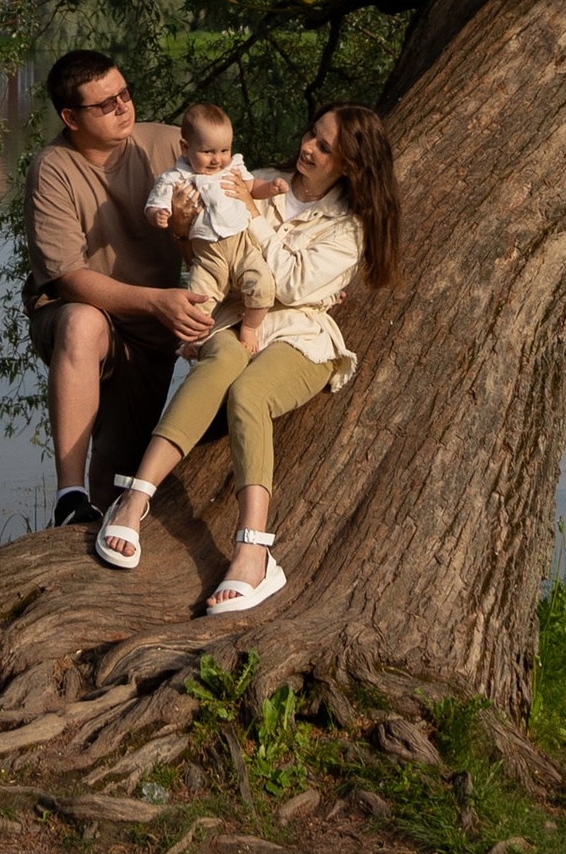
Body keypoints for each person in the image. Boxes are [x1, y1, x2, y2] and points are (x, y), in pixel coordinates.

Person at [91, 101, 399, 616]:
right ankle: (135, 498)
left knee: (249, 393)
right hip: (235, 319)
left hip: (303, 334)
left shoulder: (349, 225)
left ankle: (253, 551)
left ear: (350, 164)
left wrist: (249, 217)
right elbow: (209, 254)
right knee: (222, 366)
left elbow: (295, 285)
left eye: (325, 147)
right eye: (311, 134)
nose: (308, 147)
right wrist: (185, 226)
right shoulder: (254, 178)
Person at [23, 48, 211, 527]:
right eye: (106, 103)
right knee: (84, 322)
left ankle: (92, 532)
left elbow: (244, 188)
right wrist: (156, 302)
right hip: (76, 314)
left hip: (153, 331)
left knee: (118, 480)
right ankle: (69, 495)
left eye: (125, 94)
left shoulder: (172, 146)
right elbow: (68, 278)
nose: (124, 107)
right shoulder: (53, 169)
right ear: (71, 117)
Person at [142, 96, 285, 329]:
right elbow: (155, 203)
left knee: (263, 283)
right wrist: (157, 214)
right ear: (186, 148)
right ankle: (194, 339)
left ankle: (250, 328)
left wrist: (270, 188)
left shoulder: (233, 168)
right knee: (197, 300)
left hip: (241, 244)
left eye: (224, 150)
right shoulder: (175, 178)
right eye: (208, 152)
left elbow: (251, 188)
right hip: (207, 255)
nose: (217, 159)